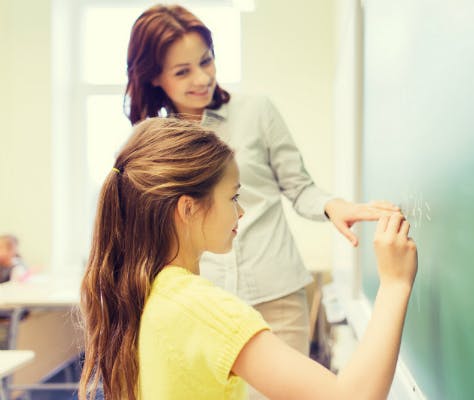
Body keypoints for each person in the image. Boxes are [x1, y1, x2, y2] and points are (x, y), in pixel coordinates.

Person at [124, 5, 400, 385]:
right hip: (208, 304)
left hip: (277, 295)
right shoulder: (154, 140)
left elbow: (299, 187)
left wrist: (334, 206)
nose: (203, 78)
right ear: (154, 77)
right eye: (183, 71)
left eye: (207, 61)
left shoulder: (256, 111)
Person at [78, 117, 417, 400]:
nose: (241, 211)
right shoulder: (203, 309)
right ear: (188, 208)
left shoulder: (145, 290)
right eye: (233, 196)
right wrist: (395, 283)